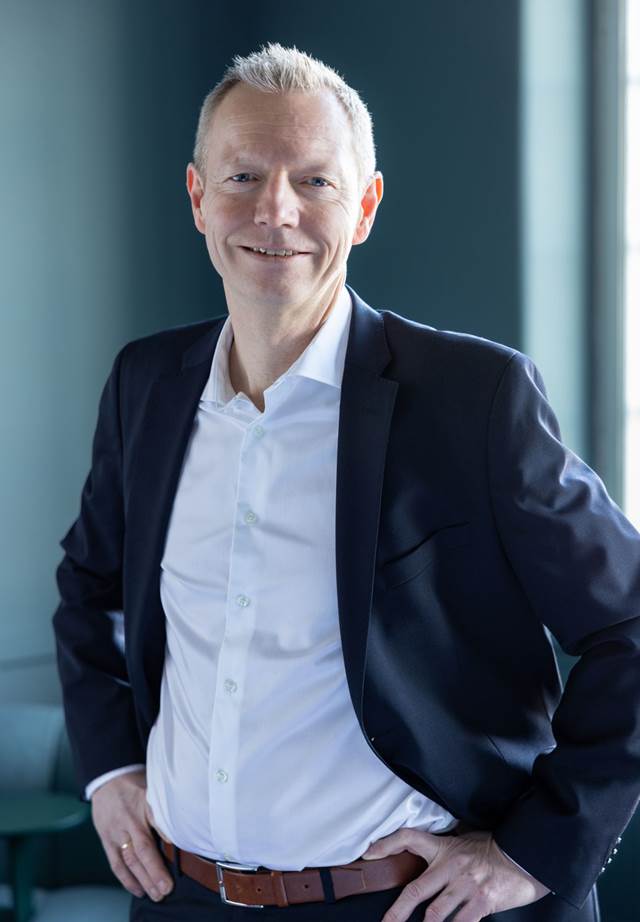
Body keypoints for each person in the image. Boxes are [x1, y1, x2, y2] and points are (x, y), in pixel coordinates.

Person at [52, 42, 640, 922]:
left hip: (408, 907)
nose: (276, 210)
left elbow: (630, 619)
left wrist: (534, 852)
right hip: (182, 900)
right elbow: (87, 588)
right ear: (197, 198)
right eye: (243, 175)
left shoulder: (472, 399)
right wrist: (109, 769)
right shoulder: (148, 384)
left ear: (364, 206)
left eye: (316, 182)